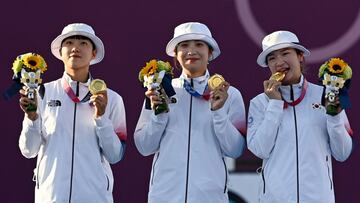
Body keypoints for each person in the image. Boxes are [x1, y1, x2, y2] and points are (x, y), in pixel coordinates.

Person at [134, 22, 247, 203]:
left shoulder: (229, 94)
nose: (191, 51)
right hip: (164, 196)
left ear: (210, 53)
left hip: (210, 197)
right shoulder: (159, 89)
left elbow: (235, 150)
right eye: (184, 45)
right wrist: (159, 115)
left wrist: (218, 113)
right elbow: (144, 147)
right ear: (176, 55)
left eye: (199, 45)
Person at [18, 23, 127, 203]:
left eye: (83, 43)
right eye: (69, 42)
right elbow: (29, 150)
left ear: (93, 53)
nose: (75, 48)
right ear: (61, 52)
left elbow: (115, 155)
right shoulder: (42, 93)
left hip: (95, 197)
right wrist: (32, 118)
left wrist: (101, 118)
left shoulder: (112, 99)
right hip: (51, 197)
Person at [247, 30, 353, 202]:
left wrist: (334, 117)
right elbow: (260, 150)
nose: (279, 62)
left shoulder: (328, 94)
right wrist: (275, 104)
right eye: (272, 58)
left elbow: (342, 153)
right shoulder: (259, 103)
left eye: (285, 53)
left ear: (300, 56)